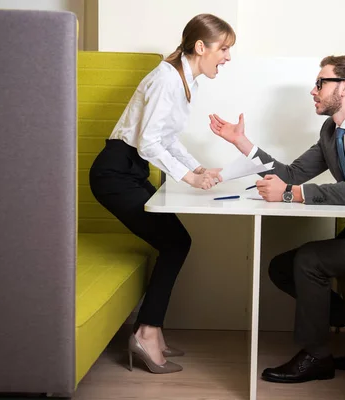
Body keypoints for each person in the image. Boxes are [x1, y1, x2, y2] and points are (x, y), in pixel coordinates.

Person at [209, 55, 345, 383]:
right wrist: (243, 143)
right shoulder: (331, 131)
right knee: (282, 267)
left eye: (320, 83)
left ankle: (317, 356)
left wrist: (291, 194)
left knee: (310, 260)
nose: (313, 90)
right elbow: (292, 173)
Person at [89, 14, 236, 374]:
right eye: (225, 48)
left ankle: (153, 331)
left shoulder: (185, 80)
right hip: (115, 172)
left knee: (175, 242)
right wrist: (188, 177)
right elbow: (149, 141)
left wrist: (196, 166)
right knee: (176, 243)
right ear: (201, 47)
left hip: (132, 170)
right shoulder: (166, 79)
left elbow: (167, 138)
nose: (228, 57)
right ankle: (148, 332)